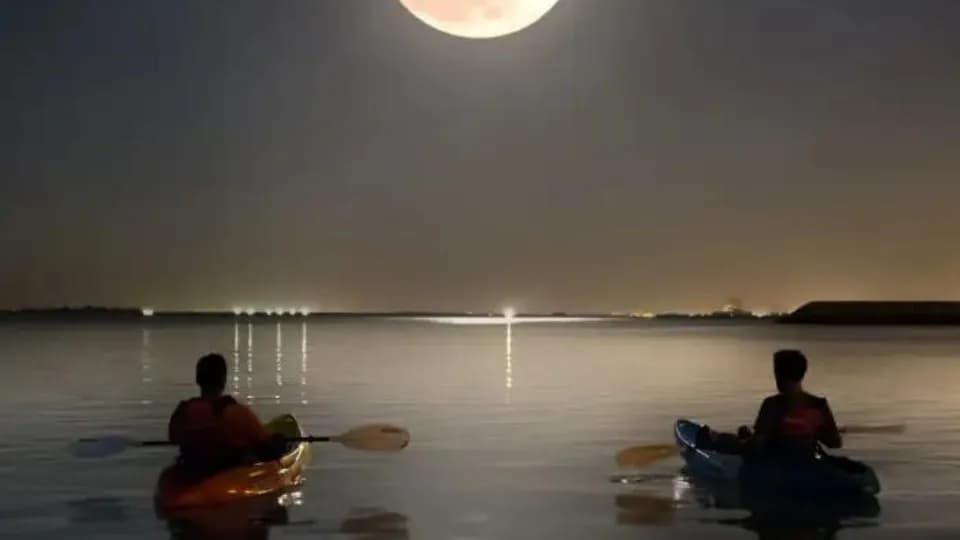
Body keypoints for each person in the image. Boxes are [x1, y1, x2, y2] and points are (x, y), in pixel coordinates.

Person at [697, 349, 842, 459]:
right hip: (804, 458)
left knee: (728, 438)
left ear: (778, 374)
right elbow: (835, 443)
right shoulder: (819, 404)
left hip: (775, 461)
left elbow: (755, 448)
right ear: (802, 373)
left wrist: (734, 443)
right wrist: (807, 431)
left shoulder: (773, 405)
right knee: (744, 431)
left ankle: (712, 438)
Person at [168, 353, 285, 475]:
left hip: (192, 469)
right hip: (226, 471)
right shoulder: (238, 413)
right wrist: (278, 443)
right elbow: (266, 449)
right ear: (223, 380)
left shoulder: (183, 411)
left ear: (198, 379)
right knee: (272, 446)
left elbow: (173, 438)